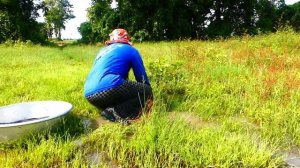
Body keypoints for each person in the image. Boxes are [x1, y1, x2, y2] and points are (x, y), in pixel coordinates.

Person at [84, 28, 153, 123]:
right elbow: (141, 78)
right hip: (109, 88)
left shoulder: (102, 51)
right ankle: (115, 112)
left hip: (89, 94)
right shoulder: (131, 50)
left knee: (122, 87)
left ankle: (108, 109)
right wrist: (149, 95)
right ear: (127, 39)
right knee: (147, 90)